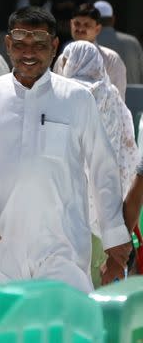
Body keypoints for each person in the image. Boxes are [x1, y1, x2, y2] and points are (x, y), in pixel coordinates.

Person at [0, 7, 132, 292]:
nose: (29, 52)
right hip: (0, 248)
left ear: (54, 46)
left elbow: (103, 169)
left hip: (61, 246)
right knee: (8, 332)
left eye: (39, 44)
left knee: (64, 329)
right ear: (8, 45)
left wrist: (115, 241)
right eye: (20, 44)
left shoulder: (77, 98)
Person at [54, 40, 137, 285]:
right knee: (98, 274)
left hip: (65, 198)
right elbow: (128, 150)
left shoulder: (64, 94)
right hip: (105, 203)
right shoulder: (114, 98)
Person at [69, 3, 127, 99]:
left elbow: (118, 101)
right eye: (77, 24)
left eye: (87, 25)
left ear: (97, 29)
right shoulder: (62, 58)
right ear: (71, 24)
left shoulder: (111, 59)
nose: (81, 29)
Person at [95, 0, 143, 85]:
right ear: (113, 19)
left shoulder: (83, 44)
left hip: (96, 97)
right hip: (133, 97)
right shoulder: (132, 42)